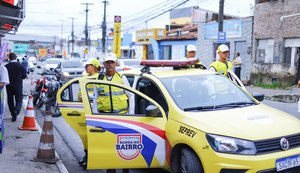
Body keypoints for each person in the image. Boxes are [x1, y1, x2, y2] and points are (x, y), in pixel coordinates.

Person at [5, 52, 27, 122]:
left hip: (9, 86)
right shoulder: (21, 66)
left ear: (9, 58)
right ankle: (16, 111)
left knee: (10, 100)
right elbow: (24, 76)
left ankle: (12, 113)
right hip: (18, 86)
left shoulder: (6, 67)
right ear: (16, 57)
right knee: (19, 100)